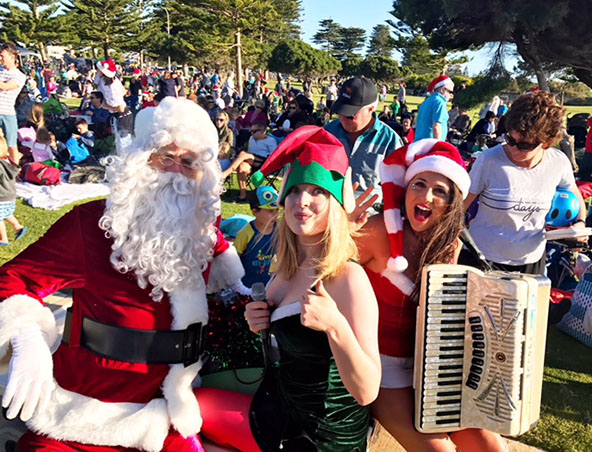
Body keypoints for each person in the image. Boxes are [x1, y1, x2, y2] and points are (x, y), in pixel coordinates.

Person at [0, 97, 250, 452]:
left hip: (167, 418)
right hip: (82, 418)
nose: (175, 171)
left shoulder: (200, 227)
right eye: (165, 156)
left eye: (188, 162)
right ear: (139, 160)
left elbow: (224, 258)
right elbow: (11, 280)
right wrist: (27, 339)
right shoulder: (90, 226)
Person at [194, 126, 381, 452]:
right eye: (294, 191)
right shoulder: (285, 270)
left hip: (320, 437)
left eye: (316, 192)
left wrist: (335, 326)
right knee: (183, 410)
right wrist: (259, 323)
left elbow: (367, 391)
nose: (302, 202)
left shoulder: (347, 277)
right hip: (279, 409)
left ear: (335, 204)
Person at [352, 138, 508, 452]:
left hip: (433, 371)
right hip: (381, 370)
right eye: (419, 184)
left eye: (440, 191)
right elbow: (322, 270)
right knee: (440, 451)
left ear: (453, 203)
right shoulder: (378, 230)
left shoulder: (450, 245)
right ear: (405, 189)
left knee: (492, 447)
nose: (426, 196)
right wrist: (344, 228)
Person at [460, 91, 587, 275]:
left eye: (525, 145)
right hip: (482, 257)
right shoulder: (489, 160)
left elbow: (575, 194)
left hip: (531, 260)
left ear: (546, 142)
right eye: (510, 139)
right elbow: (460, 208)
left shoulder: (558, 162)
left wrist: (580, 224)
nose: (513, 148)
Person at [325, 76, 402, 197]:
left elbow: (398, 191)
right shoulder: (327, 133)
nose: (343, 118)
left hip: (370, 213)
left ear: (370, 109)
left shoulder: (390, 141)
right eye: (340, 112)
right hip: (331, 210)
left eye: (350, 114)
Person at [233, 186, 279, 288]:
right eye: (270, 211)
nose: (276, 214)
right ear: (255, 212)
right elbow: (234, 258)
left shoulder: (279, 230)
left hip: (271, 286)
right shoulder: (246, 233)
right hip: (247, 286)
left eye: (277, 209)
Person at [221, 122, 277, 202]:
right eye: (251, 131)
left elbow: (273, 156)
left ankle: (226, 173)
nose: (252, 133)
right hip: (251, 161)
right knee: (241, 167)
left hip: (264, 163)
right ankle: (242, 196)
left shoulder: (271, 141)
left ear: (262, 132)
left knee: (243, 154)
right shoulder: (251, 138)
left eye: (254, 131)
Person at [0, 42, 27, 164]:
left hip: (7, 113)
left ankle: (14, 170)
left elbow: (6, 86)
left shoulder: (19, 76)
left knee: (11, 144)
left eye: (2, 56)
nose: (0, 59)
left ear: (12, 56)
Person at [0, 134, 27, 246]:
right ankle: (18, 227)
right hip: (11, 196)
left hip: (2, 197)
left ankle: (4, 239)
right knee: (7, 213)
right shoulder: (8, 162)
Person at [95, 59, 133, 137]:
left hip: (123, 115)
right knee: (117, 139)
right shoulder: (102, 81)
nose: (97, 71)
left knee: (124, 141)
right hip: (114, 114)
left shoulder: (114, 87)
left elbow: (121, 108)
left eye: (98, 69)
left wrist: (106, 106)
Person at [414, 75, 454, 141]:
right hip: (430, 144)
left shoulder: (426, 101)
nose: (451, 95)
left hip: (419, 142)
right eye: (450, 91)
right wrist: (437, 145)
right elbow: (437, 126)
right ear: (442, 89)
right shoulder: (440, 102)